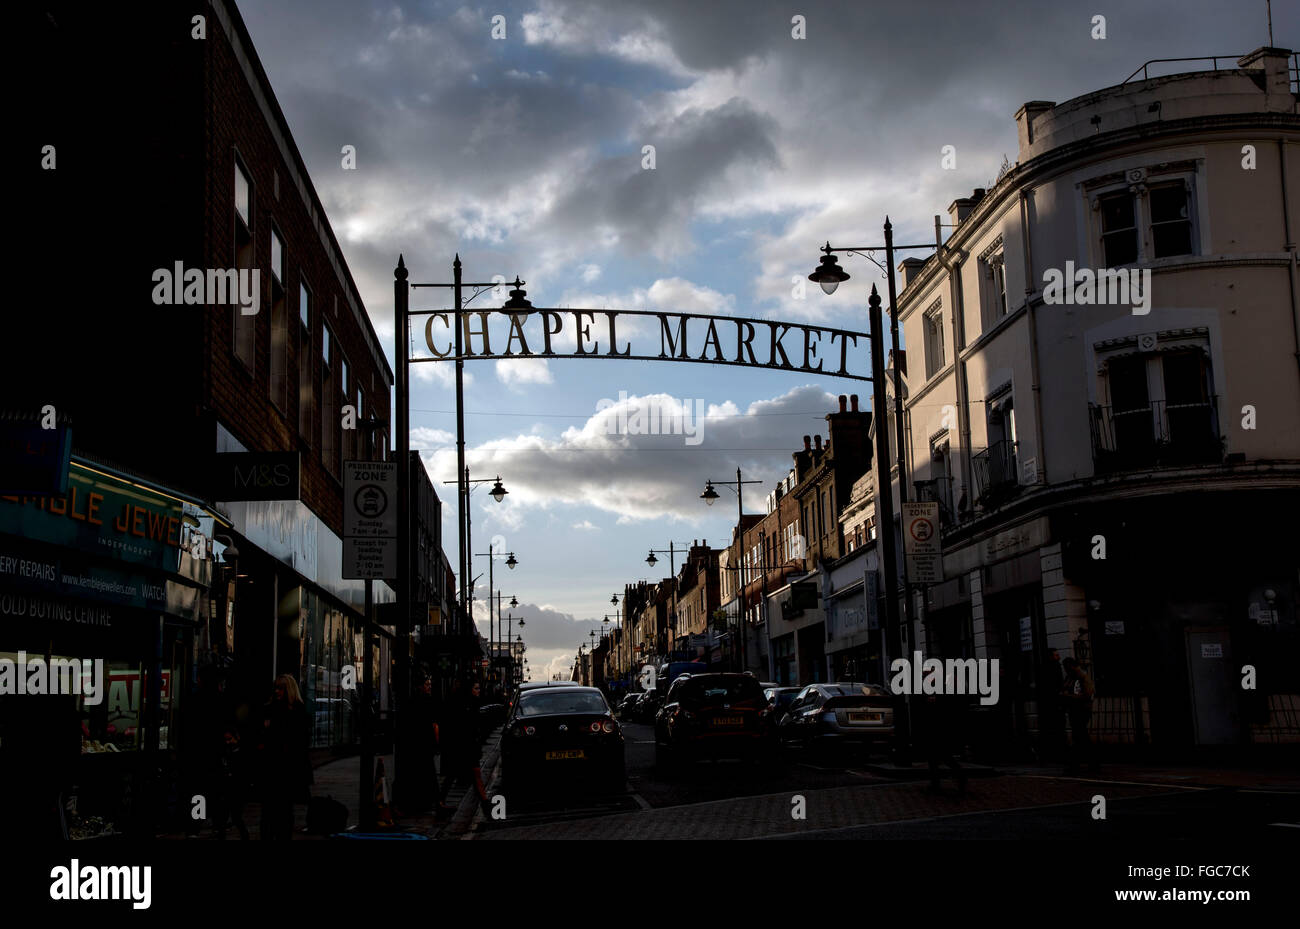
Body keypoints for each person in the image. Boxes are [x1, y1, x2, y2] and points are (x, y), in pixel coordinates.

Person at [257, 674, 311, 840]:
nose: (277, 691)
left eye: (281, 688)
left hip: (286, 766)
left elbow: (300, 740)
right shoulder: (274, 708)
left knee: (282, 809)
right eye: (276, 688)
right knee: (272, 809)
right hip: (274, 765)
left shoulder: (295, 711)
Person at [437, 677, 488, 817]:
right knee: (472, 775)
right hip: (465, 747)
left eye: (479, 688)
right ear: (469, 689)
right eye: (476, 688)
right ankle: (486, 805)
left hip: (465, 747)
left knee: (463, 774)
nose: (479, 691)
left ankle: (485, 805)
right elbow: (466, 728)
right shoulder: (467, 705)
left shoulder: (471, 704)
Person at [1060, 657, 1098, 775]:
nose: (1065, 670)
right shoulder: (1070, 677)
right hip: (1074, 710)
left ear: (1071, 666)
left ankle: (1078, 765)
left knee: (1080, 737)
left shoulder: (1082, 677)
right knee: (1080, 737)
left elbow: (1087, 695)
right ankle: (1088, 764)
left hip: (1081, 710)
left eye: (1067, 667)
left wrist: (1068, 696)